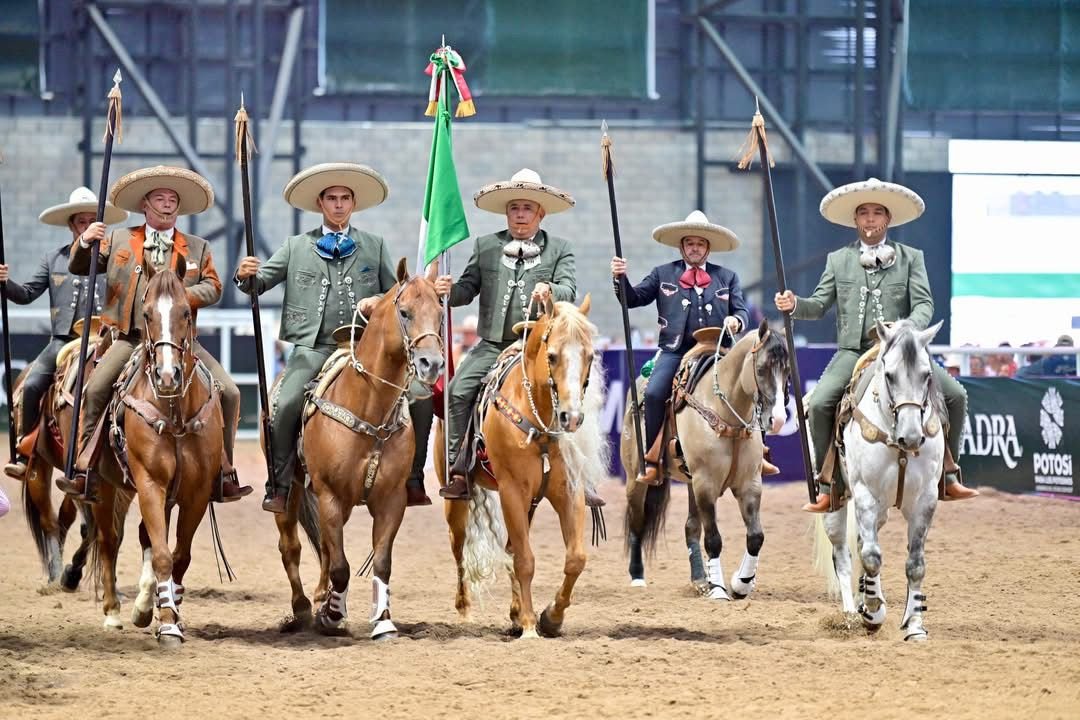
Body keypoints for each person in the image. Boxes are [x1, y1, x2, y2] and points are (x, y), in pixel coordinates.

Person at [774, 178, 978, 512]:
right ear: (855, 220)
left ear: (888, 220)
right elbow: (820, 304)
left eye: (878, 213)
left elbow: (925, 305)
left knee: (956, 395)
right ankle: (829, 483)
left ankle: (948, 474)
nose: (870, 219)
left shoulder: (912, 257)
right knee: (822, 402)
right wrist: (794, 304)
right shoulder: (838, 259)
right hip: (853, 351)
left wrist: (906, 330)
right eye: (864, 213)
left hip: (902, 351)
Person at [61, 166, 250, 504]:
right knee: (95, 390)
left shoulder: (197, 247)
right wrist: (85, 241)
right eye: (160, 199)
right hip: (129, 338)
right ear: (145, 206)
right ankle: (85, 467)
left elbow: (214, 287)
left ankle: (223, 471)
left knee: (231, 392)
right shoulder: (118, 238)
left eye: (173, 200)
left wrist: (181, 298)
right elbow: (80, 265)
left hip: (181, 344)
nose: (167, 205)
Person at [236, 162, 396, 514]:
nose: (338, 205)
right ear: (320, 204)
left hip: (362, 348)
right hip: (312, 347)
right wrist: (246, 275)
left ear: (353, 204)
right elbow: (260, 282)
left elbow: (399, 294)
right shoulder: (296, 246)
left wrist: (379, 301)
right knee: (283, 406)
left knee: (410, 398)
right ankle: (278, 484)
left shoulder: (375, 246)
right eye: (332, 199)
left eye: (345, 198)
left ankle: (410, 479)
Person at [435, 168, 581, 502]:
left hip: (539, 345)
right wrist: (446, 290)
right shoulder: (486, 246)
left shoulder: (560, 249)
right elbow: (466, 291)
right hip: (492, 344)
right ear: (506, 211)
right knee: (457, 392)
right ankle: (460, 468)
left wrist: (552, 290)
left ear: (540, 213)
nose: (520, 214)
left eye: (527, 208)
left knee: (570, 392)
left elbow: (570, 289)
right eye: (514, 207)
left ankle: (577, 472)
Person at [611, 210, 777, 485]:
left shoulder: (728, 277)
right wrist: (620, 278)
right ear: (682, 246)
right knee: (653, 393)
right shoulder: (662, 274)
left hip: (719, 351)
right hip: (675, 351)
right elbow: (632, 299)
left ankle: (759, 454)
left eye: (700, 243)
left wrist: (737, 320)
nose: (695, 248)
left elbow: (742, 310)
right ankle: (652, 459)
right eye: (690, 243)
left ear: (708, 247)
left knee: (755, 386)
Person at [0, 187, 126, 479]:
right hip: (65, 341)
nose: (88, 225)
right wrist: (4, 284)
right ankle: (25, 448)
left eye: (93, 220)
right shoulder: (53, 259)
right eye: (82, 221)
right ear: (72, 225)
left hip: (108, 340)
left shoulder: (116, 258)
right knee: (31, 386)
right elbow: (27, 294)